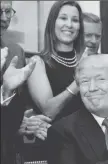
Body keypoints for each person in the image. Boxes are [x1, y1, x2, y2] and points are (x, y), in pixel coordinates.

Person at [27, 1, 86, 122]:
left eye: (75, 20)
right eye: (63, 18)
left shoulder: (86, 60)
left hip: (86, 136)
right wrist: (77, 82)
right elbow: (48, 112)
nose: (69, 25)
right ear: (52, 23)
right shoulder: (37, 63)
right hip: (55, 137)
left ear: (80, 27)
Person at [0, 1, 37, 163]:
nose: (4, 18)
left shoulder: (16, 52)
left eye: (8, 11)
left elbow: (21, 103)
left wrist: (26, 121)